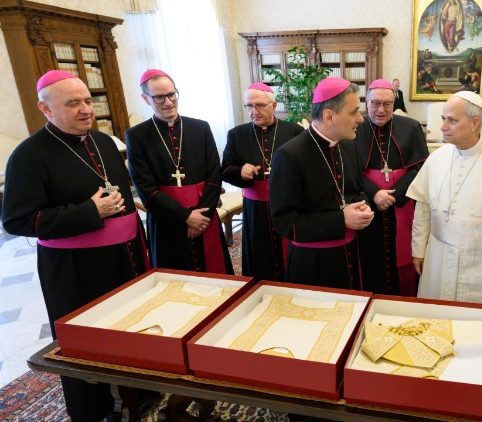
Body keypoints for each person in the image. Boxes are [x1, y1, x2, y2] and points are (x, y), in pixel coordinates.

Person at [1, 70, 150, 421]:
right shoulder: (29, 156)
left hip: (124, 259)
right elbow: (17, 220)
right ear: (45, 108)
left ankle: (141, 392)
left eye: (87, 100)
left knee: (131, 329)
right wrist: (89, 212)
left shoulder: (103, 142)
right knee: (87, 343)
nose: (85, 109)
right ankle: (94, 410)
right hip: (77, 272)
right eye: (72, 103)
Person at [407, 91, 482, 306]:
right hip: (438, 256)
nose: (443, 126)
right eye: (443, 118)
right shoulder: (436, 158)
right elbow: (423, 208)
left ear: (475, 123)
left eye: (452, 120)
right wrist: (418, 250)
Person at [270, 77, 374, 289]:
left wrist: (362, 207)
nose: (361, 119)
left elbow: (356, 191)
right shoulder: (289, 155)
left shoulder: (348, 146)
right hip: (312, 264)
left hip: (350, 254)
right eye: (354, 111)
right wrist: (341, 220)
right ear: (329, 116)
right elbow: (285, 222)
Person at [126, 69, 232, 274]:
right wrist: (185, 216)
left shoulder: (200, 128)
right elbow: (146, 189)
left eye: (172, 94)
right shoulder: (137, 136)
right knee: (175, 280)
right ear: (145, 99)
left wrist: (201, 217)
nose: (168, 102)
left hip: (205, 216)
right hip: (166, 221)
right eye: (159, 97)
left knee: (216, 277)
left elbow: (214, 176)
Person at [222, 82, 304, 279]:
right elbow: (225, 169)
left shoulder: (294, 131)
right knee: (259, 254)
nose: (253, 111)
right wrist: (240, 171)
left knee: (289, 251)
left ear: (273, 105)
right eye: (249, 106)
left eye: (259, 105)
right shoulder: (237, 134)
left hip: (287, 204)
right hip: (255, 209)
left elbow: (306, 168)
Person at [355, 79, 428, 295]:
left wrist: (394, 195)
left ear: (394, 103)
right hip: (367, 204)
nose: (381, 110)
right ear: (366, 102)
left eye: (387, 104)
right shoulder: (354, 128)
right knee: (370, 257)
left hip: (401, 203)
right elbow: (349, 169)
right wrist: (375, 193)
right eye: (375, 103)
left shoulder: (411, 127)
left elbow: (421, 167)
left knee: (402, 256)